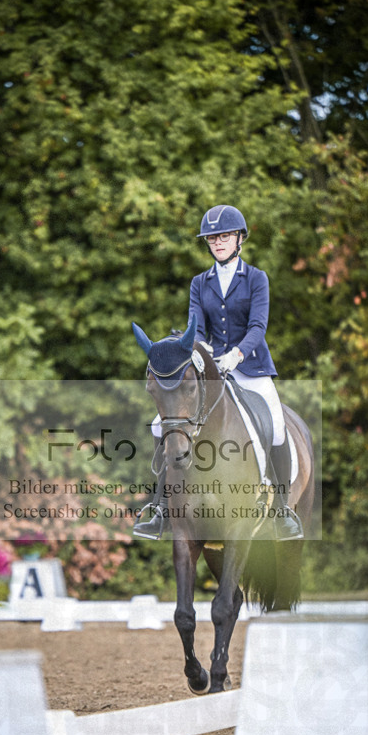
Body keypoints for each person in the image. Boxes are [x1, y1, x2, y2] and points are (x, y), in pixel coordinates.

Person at [133, 204, 304, 542]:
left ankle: (282, 510)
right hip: (212, 367)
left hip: (250, 366)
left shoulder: (256, 278)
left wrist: (237, 355)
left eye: (224, 236)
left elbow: (258, 326)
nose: (218, 243)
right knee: (158, 424)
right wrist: (204, 352)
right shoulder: (200, 282)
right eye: (212, 238)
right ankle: (160, 506)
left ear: (239, 238)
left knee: (277, 427)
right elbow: (196, 327)